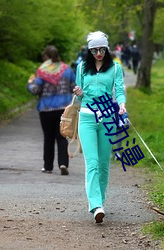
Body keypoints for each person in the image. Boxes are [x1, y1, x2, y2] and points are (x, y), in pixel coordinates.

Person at [73, 31, 126, 223]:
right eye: (94, 50)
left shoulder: (115, 68)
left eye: (102, 49)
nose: (98, 53)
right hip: (86, 118)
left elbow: (119, 90)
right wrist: (78, 92)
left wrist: (121, 104)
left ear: (107, 48)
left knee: (104, 164)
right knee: (92, 163)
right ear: (89, 50)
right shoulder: (81, 68)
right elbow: (79, 97)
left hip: (108, 118)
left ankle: (100, 201)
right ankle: (95, 205)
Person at [27, 45, 76, 175]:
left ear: (46, 57)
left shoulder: (42, 71)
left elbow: (35, 90)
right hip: (63, 109)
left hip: (46, 109)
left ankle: (48, 166)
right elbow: (74, 87)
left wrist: (30, 83)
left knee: (48, 138)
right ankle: (63, 163)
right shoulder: (67, 70)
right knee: (62, 137)